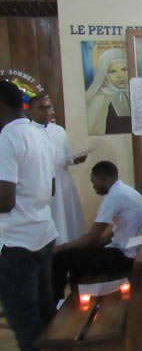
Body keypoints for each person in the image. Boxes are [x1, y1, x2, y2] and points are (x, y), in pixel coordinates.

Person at [0, 80, 57, 351]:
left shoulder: (6, 139)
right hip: (43, 233)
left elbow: (5, 201)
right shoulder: (39, 133)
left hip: (17, 243)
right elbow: (51, 187)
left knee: (24, 323)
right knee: (46, 312)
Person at [52, 161, 142, 301]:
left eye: (93, 182)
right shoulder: (127, 191)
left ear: (104, 179)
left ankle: (64, 302)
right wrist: (98, 243)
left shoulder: (114, 197)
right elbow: (117, 230)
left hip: (125, 257)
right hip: (133, 251)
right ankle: (79, 297)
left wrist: (61, 247)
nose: (93, 186)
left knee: (61, 257)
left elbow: (91, 239)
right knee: (77, 255)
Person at [28, 95, 87, 244]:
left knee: (66, 219)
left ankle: (67, 249)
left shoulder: (59, 130)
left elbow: (65, 157)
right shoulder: (27, 132)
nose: (46, 111)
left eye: (48, 107)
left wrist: (75, 159)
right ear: (30, 111)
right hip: (42, 184)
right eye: (41, 108)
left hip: (63, 182)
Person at [85, 48, 131, 135]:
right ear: (105, 74)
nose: (120, 76)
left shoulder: (130, 94)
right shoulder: (99, 99)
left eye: (124, 69)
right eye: (113, 71)